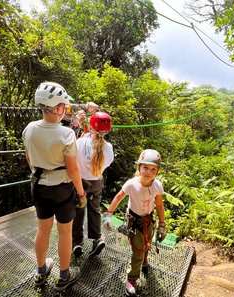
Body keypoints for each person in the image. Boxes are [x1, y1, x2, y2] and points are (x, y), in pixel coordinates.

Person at [22, 81, 87, 291]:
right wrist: (80, 192)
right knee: (64, 232)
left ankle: (41, 272)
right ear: (58, 107)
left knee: (42, 229)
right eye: (64, 107)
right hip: (62, 189)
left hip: (38, 185)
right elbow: (73, 168)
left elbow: (29, 158)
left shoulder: (30, 129)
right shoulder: (66, 134)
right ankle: (64, 275)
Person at [102, 149, 167, 296]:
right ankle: (131, 279)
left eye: (153, 169)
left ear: (157, 171)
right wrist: (108, 214)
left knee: (147, 241)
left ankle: (144, 262)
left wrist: (162, 225)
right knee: (138, 250)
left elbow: (160, 205)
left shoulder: (157, 185)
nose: (148, 172)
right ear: (139, 168)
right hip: (134, 220)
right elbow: (119, 197)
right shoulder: (132, 184)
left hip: (148, 218)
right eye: (145, 167)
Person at [72, 112, 114, 258]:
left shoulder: (80, 142)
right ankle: (97, 239)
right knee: (94, 209)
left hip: (81, 182)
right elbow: (106, 164)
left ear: (90, 127)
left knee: (78, 211)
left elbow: (72, 158)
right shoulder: (108, 148)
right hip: (96, 182)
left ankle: (76, 242)